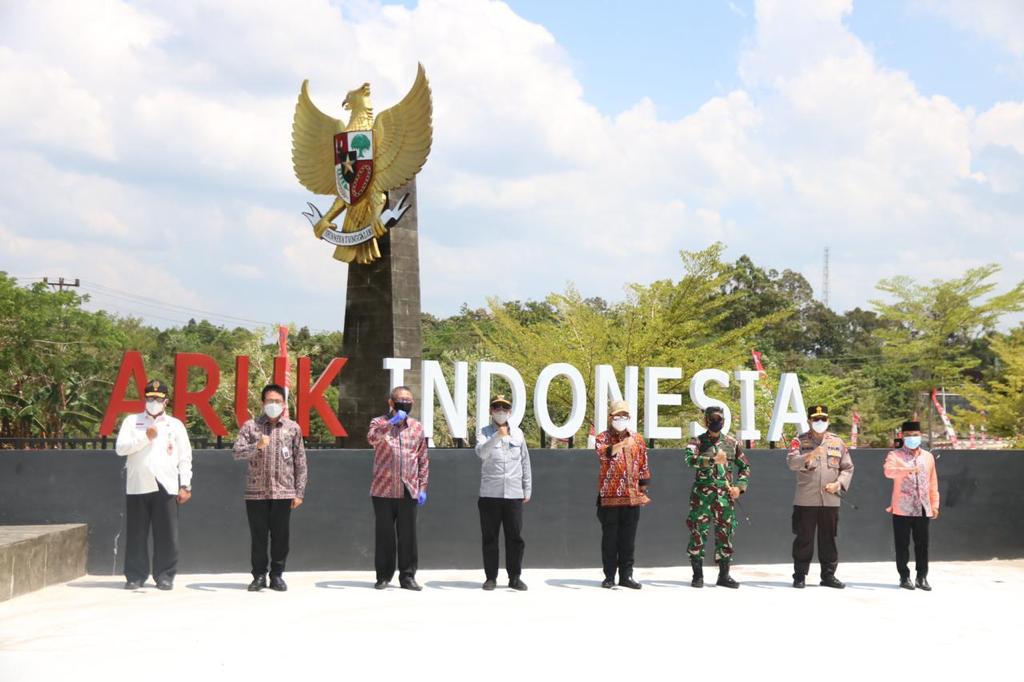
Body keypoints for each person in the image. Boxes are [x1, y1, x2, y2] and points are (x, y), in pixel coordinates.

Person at [114, 380, 193, 590]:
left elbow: (185, 456)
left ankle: (165, 575)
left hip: (166, 485)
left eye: (157, 399)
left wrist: (185, 484)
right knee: (136, 534)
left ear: (165, 401)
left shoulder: (175, 425)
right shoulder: (133, 422)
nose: (153, 402)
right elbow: (120, 448)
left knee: (167, 534)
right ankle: (135, 576)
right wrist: (144, 438)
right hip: (138, 485)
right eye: (149, 398)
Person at [233, 383, 307, 592]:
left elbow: (300, 461)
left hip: (284, 491)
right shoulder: (251, 426)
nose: (273, 405)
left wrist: (299, 492)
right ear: (262, 403)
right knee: (258, 537)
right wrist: (256, 446)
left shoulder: (292, 428)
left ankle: (277, 575)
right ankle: (258, 576)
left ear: (283, 404)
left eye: (277, 401)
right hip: (256, 492)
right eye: (269, 401)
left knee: (280, 536)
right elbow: (236, 453)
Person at [367, 386, 429, 591]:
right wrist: (390, 423)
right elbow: (372, 439)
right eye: (401, 399)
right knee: (385, 535)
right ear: (391, 403)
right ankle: (383, 576)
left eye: (409, 399)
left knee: (408, 536)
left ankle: (408, 576)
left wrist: (422, 486)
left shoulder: (417, 427)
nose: (406, 402)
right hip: (383, 489)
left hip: (409, 488)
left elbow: (422, 458)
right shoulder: (378, 423)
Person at [786, 404, 854, 589]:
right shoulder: (799, 441)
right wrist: (809, 456)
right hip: (806, 500)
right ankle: (800, 575)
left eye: (823, 419)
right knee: (804, 538)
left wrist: (838, 484)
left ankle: (828, 576)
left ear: (828, 421)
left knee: (828, 539)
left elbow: (847, 467)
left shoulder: (837, 442)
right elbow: (792, 463)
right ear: (809, 421)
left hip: (830, 500)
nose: (820, 422)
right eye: (816, 419)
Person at [684, 406, 751, 588]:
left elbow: (745, 467)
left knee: (726, 534)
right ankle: (697, 575)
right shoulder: (697, 442)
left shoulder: (732, 443)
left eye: (719, 419)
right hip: (702, 497)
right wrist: (711, 460)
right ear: (706, 421)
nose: (716, 422)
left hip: (724, 497)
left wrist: (740, 487)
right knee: (698, 533)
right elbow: (689, 460)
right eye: (713, 419)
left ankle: (724, 575)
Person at [475, 394, 532, 591]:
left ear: (509, 412)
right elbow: (481, 453)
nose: (500, 412)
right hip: (490, 494)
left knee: (515, 538)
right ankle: (491, 577)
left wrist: (527, 488)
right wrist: (497, 435)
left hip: (514, 494)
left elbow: (525, 461)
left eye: (504, 409)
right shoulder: (484, 432)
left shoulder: (518, 434)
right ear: (491, 411)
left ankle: (515, 577)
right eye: (497, 408)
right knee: (490, 538)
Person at [594, 400, 650, 589]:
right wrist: (621, 444)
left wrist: (643, 487)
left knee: (628, 540)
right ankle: (609, 576)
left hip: (631, 497)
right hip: (609, 497)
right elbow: (603, 454)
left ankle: (627, 576)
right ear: (610, 418)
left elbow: (643, 464)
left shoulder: (638, 439)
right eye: (617, 416)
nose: (621, 419)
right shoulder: (602, 437)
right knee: (610, 540)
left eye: (624, 416)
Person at [884, 420, 939, 591]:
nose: (912, 438)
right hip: (902, 507)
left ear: (920, 435)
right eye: (908, 435)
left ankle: (922, 577)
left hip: (923, 506)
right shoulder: (895, 455)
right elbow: (888, 471)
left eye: (915, 435)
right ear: (902, 436)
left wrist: (935, 503)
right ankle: (904, 576)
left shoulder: (928, 457)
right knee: (902, 544)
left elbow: (933, 482)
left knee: (922, 544)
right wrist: (907, 470)